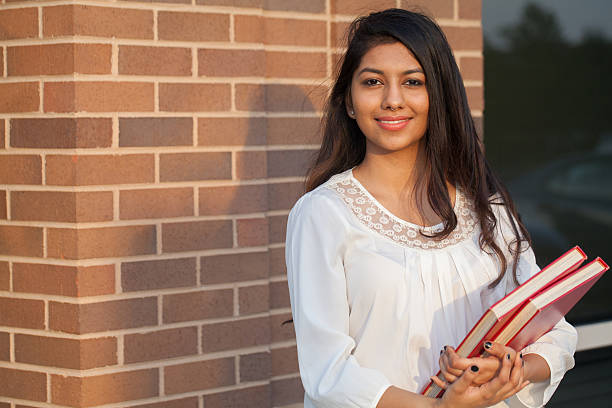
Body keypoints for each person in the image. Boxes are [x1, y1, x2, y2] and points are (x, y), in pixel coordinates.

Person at [284, 8, 577, 408]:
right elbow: (327, 372)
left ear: (437, 97)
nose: (392, 100)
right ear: (349, 102)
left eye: (413, 82)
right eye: (372, 82)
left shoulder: (488, 211)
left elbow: (554, 330)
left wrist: (512, 370)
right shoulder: (323, 214)